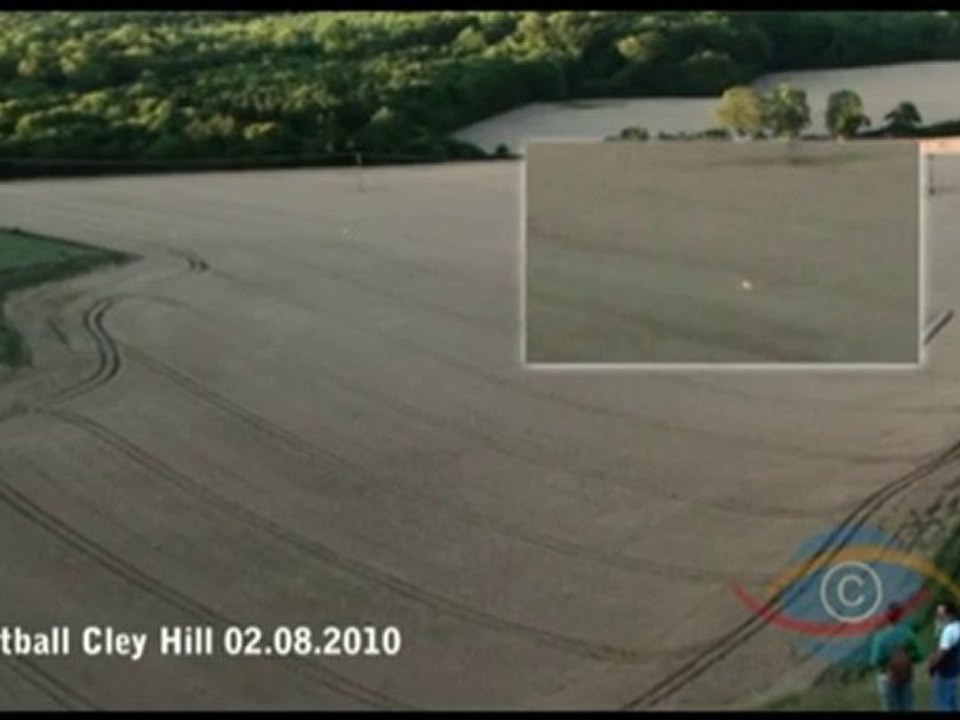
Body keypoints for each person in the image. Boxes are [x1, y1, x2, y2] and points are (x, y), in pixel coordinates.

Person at [869, 602, 923, 712]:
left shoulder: (880, 637)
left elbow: (875, 661)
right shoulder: (908, 633)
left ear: (886, 616)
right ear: (900, 616)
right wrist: (906, 659)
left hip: (887, 677)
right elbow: (920, 655)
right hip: (905, 676)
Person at [928, 600, 960, 712]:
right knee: (952, 703)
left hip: (944, 673)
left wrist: (932, 667)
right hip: (954, 671)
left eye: (941, 614)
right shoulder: (957, 626)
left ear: (949, 614)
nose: (939, 617)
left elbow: (942, 653)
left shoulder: (948, 630)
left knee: (942, 705)